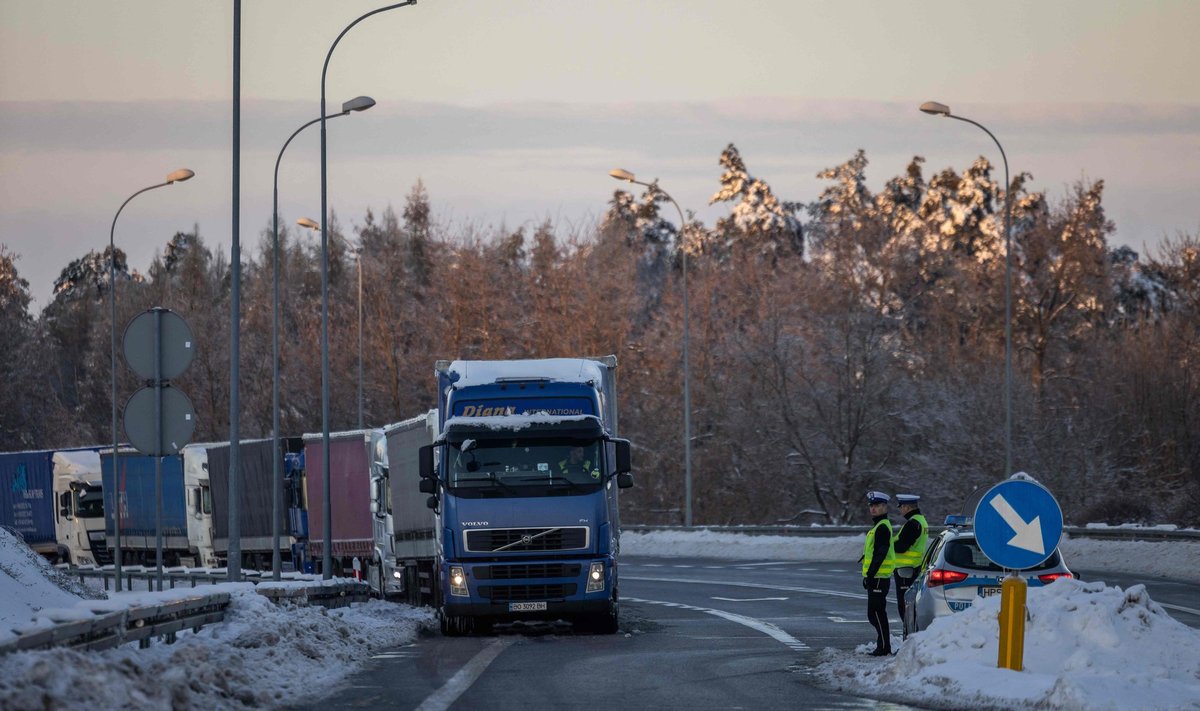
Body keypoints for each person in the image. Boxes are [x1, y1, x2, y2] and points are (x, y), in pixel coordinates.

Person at [862, 490, 896, 656]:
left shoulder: (882, 527)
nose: (873, 509)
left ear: (884, 507)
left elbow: (880, 553)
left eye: (877, 506)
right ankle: (883, 644)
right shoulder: (878, 526)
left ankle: (884, 646)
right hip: (877, 577)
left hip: (878, 577)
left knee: (876, 613)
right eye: (872, 506)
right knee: (875, 613)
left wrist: (870, 574)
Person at [891, 493, 928, 634]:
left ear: (907, 507)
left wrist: (888, 544)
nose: (900, 510)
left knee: (905, 607)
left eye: (901, 507)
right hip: (913, 568)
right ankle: (911, 636)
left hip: (905, 570)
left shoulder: (913, 523)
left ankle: (910, 637)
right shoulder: (921, 521)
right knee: (910, 606)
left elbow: (901, 546)